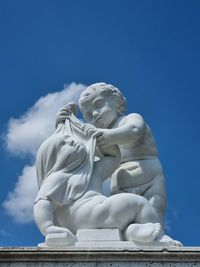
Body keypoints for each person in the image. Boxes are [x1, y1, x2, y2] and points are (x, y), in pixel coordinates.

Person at [34, 109, 166, 245]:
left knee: (133, 211)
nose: (72, 141)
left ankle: (132, 231)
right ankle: (157, 237)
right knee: (139, 203)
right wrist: (48, 228)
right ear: (53, 158)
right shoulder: (58, 177)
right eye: (64, 143)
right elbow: (42, 203)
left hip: (96, 214)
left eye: (71, 139)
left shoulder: (91, 171)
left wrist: (95, 138)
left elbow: (113, 157)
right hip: (92, 213)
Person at [56, 83, 166, 226]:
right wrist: (62, 126)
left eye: (99, 105)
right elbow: (79, 154)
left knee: (153, 217)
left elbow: (133, 131)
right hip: (120, 186)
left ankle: (155, 235)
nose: (95, 114)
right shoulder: (98, 139)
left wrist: (107, 136)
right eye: (88, 115)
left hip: (150, 179)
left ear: (116, 102)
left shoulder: (129, 119)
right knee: (123, 223)